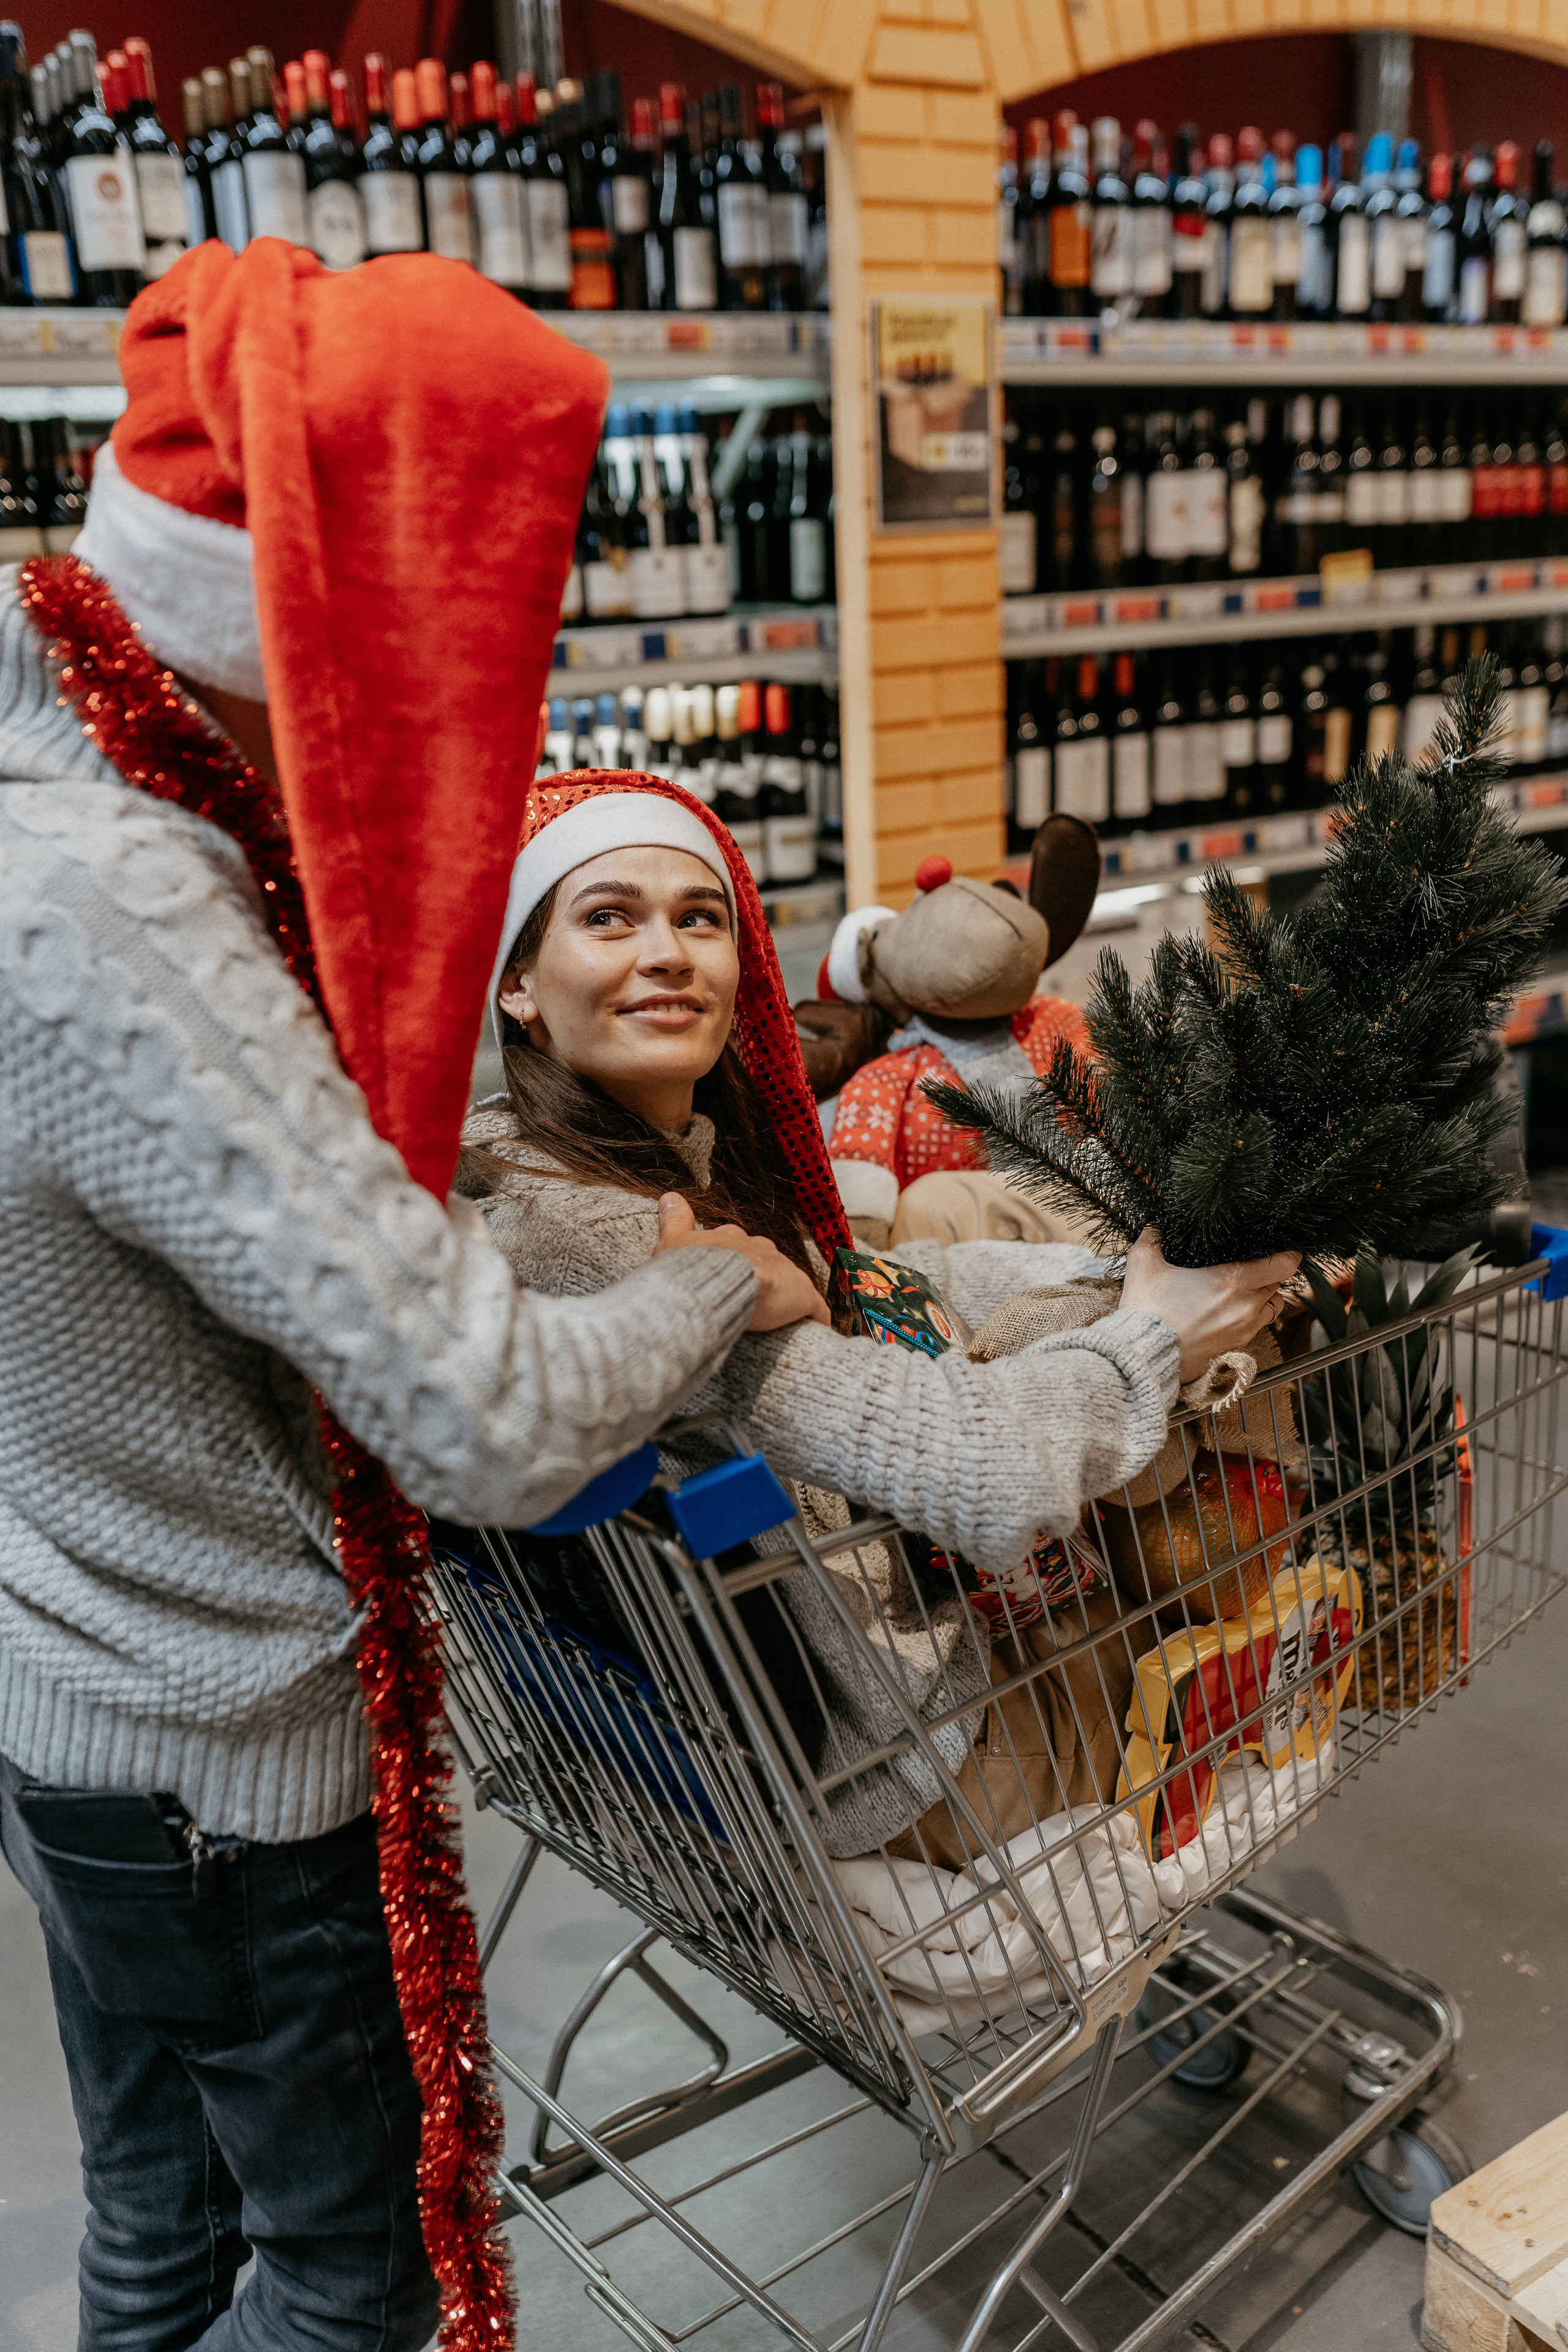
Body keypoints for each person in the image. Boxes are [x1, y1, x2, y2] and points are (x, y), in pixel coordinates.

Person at [0, 245, 825, 2352]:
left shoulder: (46, 752)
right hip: (221, 1759)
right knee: (352, 2285)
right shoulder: (114, 907)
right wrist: (721, 1277)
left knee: (161, 2217)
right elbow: (483, 1415)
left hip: (68, 1680)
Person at [459, 771, 1299, 1859]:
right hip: (908, 1749)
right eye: (608, 917)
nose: (667, 952)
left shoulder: (621, 1156)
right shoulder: (612, 1246)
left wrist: (1112, 1277)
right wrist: (1157, 1336)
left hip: (859, 1654)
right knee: (1213, 1605)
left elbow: (871, 1279)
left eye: (698, 918)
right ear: (520, 983)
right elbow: (980, 1468)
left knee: (951, 1220)